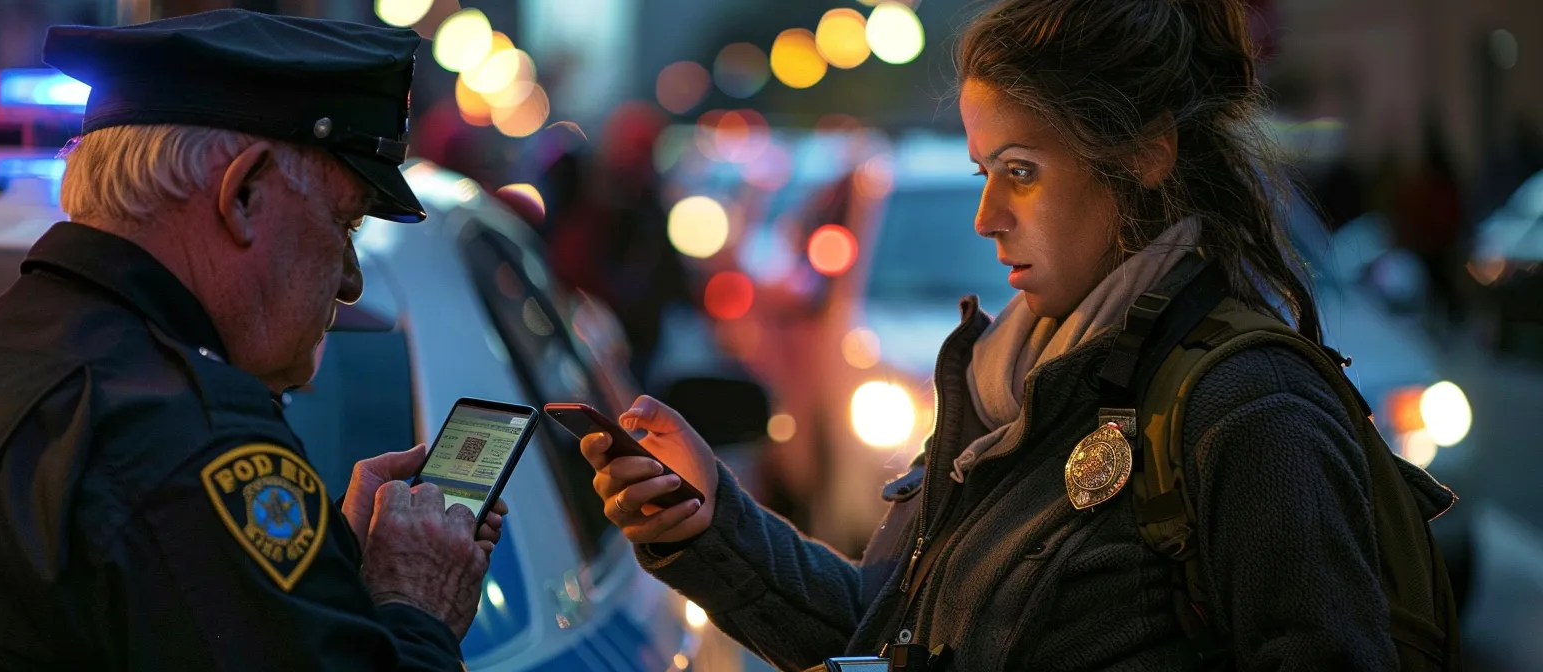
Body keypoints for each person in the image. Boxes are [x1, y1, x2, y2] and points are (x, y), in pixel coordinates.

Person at [581, 0, 1458, 670]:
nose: (986, 215)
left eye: (1021, 173)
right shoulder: (1012, 384)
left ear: (1145, 153)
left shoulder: (1248, 408)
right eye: (983, 171)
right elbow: (883, 628)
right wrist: (707, 522)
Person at [0, 10, 503, 670]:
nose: (348, 279)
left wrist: (323, 565)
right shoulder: (193, 443)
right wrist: (414, 611)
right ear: (244, 193)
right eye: (344, 224)